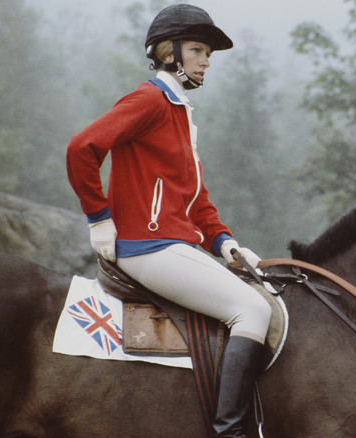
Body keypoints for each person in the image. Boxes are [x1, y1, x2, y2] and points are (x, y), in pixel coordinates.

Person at [66, 4, 269, 437]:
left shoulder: (179, 111)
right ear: (168, 53)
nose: (207, 60)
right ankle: (229, 431)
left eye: (208, 52)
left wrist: (224, 242)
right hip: (147, 248)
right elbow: (82, 148)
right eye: (197, 49)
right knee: (252, 310)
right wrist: (99, 218)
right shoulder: (149, 100)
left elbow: (195, 199)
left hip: (176, 246)